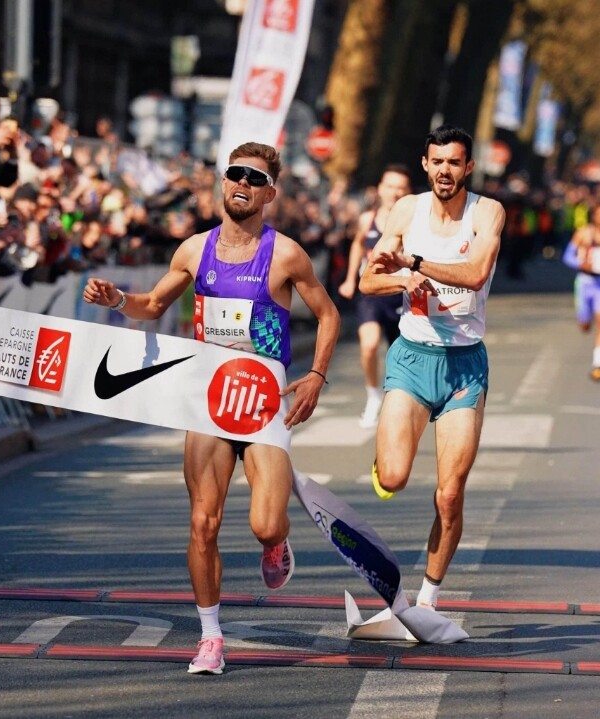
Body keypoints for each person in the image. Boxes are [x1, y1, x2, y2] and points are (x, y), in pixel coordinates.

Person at [83, 142, 340, 674]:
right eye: (235, 174)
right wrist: (117, 301)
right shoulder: (194, 250)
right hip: (209, 399)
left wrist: (316, 375)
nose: (243, 183)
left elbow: (329, 314)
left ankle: (276, 543)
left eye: (255, 178)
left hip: (263, 400)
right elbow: (153, 304)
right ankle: (210, 637)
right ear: (223, 183)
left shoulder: (286, 254)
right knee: (203, 522)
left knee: (265, 524)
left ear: (270, 193)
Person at [358, 125, 505, 612]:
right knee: (394, 477)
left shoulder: (487, 212)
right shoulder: (406, 211)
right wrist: (401, 279)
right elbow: (367, 280)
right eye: (437, 162)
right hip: (413, 358)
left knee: (449, 494)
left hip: (464, 366)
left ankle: (427, 600)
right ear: (425, 164)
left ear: (469, 167)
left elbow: (476, 273)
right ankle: (386, 462)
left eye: (454, 162)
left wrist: (416, 263)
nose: (445, 171)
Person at [338, 164, 411, 428]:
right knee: (368, 345)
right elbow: (358, 245)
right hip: (370, 293)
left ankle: (398, 404)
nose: (394, 192)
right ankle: (372, 395)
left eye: (400, 188)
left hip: (401, 294)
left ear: (407, 192)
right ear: (380, 189)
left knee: (399, 356)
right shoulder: (367, 219)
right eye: (390, 186)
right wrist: (350, 279)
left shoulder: (412, 222)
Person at [562, 202, 600, 381]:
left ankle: (598, 366)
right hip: (585, 283)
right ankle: (584, 320)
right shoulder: (584, 233)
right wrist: (581, 264)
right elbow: (567, 256)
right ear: (594, 217)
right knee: (585, 325)